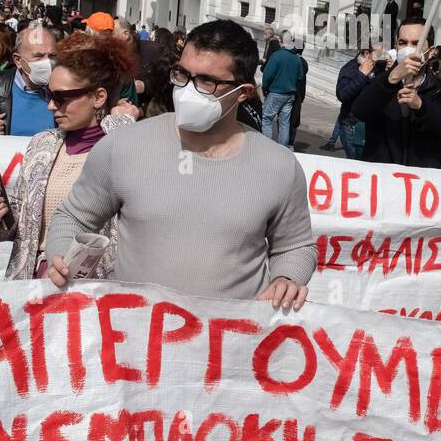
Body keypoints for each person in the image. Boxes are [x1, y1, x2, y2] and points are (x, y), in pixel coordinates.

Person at [42, 19, 314, 309]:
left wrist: (287, 277)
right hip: (135, 340)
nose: (188, 89)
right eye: (183, 74)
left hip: (231, 345)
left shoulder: (279, 166)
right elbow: (74, 217)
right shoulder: (123, 146)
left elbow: (295, 246)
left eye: (207, 82)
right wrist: (61, 256)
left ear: (243, 92)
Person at [0, 31, 139, 280]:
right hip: (33, 287)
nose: (51, 105)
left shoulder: (127, 149)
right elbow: (21, 230)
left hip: (96, 294)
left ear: (98, 97)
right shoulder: (42, 145)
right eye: (50, 95)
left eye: (61, 97)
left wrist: (123, 121)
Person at [351, 17, 441, 169]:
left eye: (416, 43)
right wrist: (391, 79)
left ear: (431, 52)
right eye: (403, 43)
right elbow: (359, 111)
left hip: (421, 184)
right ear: (396, 47)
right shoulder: (380, 82)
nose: (408, 49)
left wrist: (421, 105)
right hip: (382, 180)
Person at [261, 31, 305, 148]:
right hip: (290, 94)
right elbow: (300, 76)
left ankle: (266, 147)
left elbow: (267, 76)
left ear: (280, 41)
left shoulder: (277, 56)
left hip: (276, 92)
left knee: (266, 119)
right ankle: (283, 148)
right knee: (284, 122)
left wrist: (265, 88)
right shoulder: (296, 58)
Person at [334, 47, 377, 159]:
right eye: (380, 53)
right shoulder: (351, 68)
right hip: (353, 125)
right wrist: (362, 75)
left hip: (371, 125)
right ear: (367, 53)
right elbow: (343, 94)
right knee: (358, 163)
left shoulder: (378, 68)